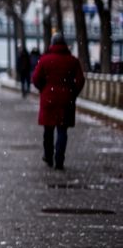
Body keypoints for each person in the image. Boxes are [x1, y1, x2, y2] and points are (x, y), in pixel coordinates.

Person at [31, 33, 85, 170]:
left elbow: (35, 78)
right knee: (62, 130)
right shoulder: (73, 61)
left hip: (48, 99)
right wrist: (72, 93)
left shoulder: (44, 60)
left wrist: (43, 89)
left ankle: (48, 156)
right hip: (66, 101)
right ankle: (59, 160)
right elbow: (80, 80)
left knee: (48, 129)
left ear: (52, 44)